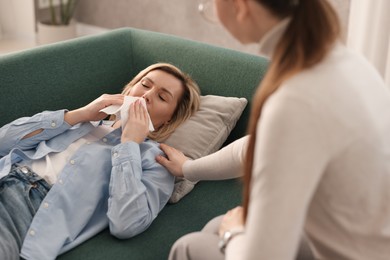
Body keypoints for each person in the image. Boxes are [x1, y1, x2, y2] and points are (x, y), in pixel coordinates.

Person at [157, 0, 390, 259]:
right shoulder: (346, 62)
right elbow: (256, 147)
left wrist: (232, 234)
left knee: (188, 247)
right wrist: (188, 168)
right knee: (215, 226)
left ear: (241, 6)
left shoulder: (295, 102)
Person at [0, 62, 200, 260]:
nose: (147, 95)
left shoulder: (155, 158)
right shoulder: (83, 121)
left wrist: (129, 144)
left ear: (169, 119)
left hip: (25, 202)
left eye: (162, 97)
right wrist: (78, 115)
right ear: (130, 88)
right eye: (145, 85)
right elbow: (4, 142)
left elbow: (127, 223)